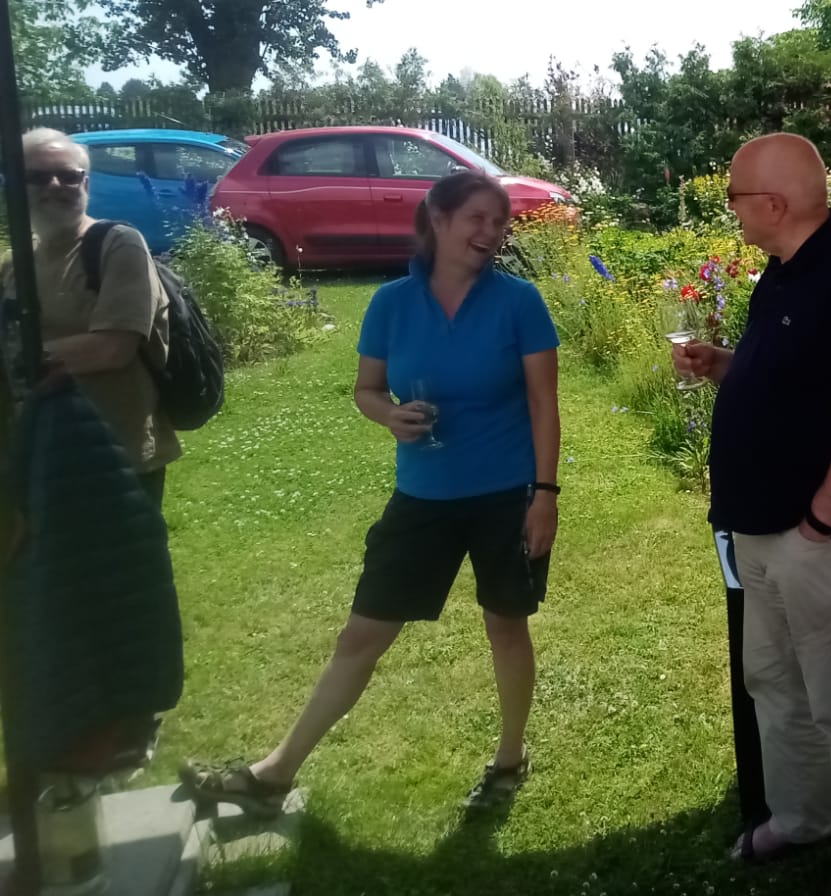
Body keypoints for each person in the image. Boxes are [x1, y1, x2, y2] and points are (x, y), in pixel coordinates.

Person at [181, 170, 562, 815]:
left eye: (499, 222)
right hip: (424, 495)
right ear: (437, 219)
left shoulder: (519, 301)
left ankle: (509, 759)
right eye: (477, 218)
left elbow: (544, 404)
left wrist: (545, 493)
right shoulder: (391, 303)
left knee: (506, 625)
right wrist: (388, 415)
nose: (491, 232)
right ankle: (274, 774)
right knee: (362, 635)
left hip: (507, 493)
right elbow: (367, 390)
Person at [674, 133, 831, 896]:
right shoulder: (781, 273)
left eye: (735, 196)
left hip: (817, 537)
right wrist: (724, 366)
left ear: (773, 204)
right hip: (760, 526)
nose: (731, 209)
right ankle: (801, 817)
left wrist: (820, 523)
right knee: (774, 682)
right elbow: (792, 382)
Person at [1, 127, 178, 505]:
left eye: (68, 175)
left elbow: (112, 348)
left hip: (113, 452)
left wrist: (18, 357)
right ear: (15, 187)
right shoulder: (14, 264)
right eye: (37, 177)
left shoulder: (117, 245)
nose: (55, 185)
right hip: (37, 451)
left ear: (86, 183)